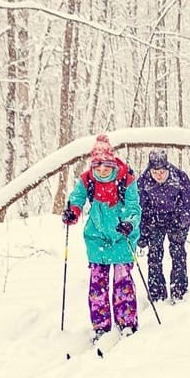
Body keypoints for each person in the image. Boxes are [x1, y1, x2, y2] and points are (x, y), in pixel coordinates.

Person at [60, 134, 142, 340]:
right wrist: (72, 212)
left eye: (106, 166)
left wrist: (129, 222)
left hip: (122, 236)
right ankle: (101, 326)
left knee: (122, 282)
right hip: (97, 237)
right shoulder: (87, 180)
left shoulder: (126, 179)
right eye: (97, 167)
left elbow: (134, 206)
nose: (102, 170)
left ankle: (127, 323)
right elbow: (76, 199)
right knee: (98, 285)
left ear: (112, 163)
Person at [138, 150, 190, 303]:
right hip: (154, 222)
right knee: (154, 256)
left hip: (175, 221)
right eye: (155, 172)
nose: (159, 175)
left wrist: (182, 225)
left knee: (178, 254)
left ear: (167, 168)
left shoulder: (179, 177)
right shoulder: (144, 181)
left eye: (162, 171)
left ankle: (179, 290)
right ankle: (156, 294)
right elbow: (139, 207)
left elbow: (189, 204)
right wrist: (142, 232)